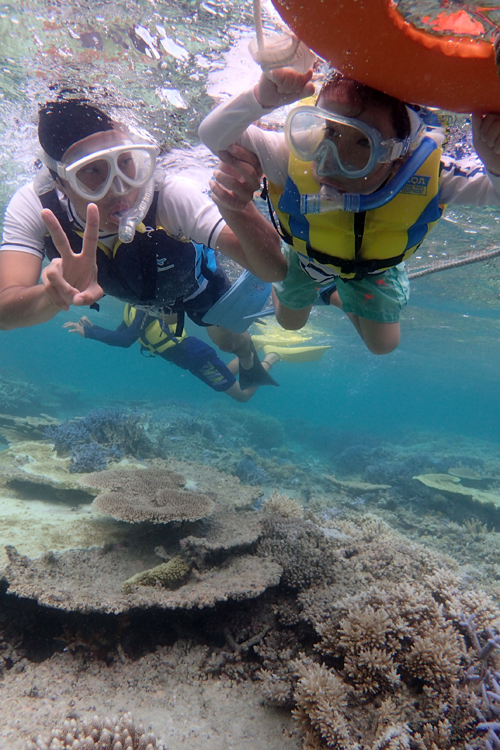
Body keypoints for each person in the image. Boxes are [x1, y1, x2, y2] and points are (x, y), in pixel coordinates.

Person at [199, 65, 500, 354]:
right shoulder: (295, 154)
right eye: (330, 132)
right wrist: (261, 99)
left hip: (373, 268)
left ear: (398, 159)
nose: (331, 160)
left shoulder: (432, 175)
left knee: (383, 345)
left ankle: (333, 293)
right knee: (289, 323)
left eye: (363, 145)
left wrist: (495, 163)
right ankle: (325, 288)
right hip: (308, 259)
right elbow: (213, 135)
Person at [0, 98, 286, 388]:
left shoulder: (169, 195)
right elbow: (3, 312)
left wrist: (239, 207)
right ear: (59, 181)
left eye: (126, 162)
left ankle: (249, 359)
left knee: (227, 341)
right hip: (144, 301)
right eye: (92, 171)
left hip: (194, 285)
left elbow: (274, 269)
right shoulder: (37, 207)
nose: (120, 189)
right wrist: (52, 295)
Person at [64, 307, 280, 403]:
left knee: (241, 395)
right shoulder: (132, 308)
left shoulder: (146, 308)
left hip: (196, 356)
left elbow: (126, 340)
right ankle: (250, 346)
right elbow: (121, 333)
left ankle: (270, 356)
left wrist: (90, 333)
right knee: (227, 376)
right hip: (191, 359)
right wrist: (93, 328)